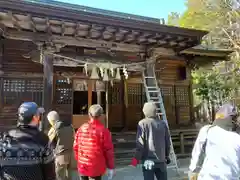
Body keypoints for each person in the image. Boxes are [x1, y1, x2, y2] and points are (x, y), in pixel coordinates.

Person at [0, 102, 56, 180]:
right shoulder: (43, 140)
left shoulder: (5, 138)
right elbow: (49, 172)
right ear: (35, 118)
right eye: (39, 115)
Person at [189, 103, 240, 180]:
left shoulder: (206, 130)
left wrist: (193, 171)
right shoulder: (236, 138)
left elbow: (197, 153)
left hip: (207, 177)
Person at [130, 102, 171, 180]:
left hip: (148, 161)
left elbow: (140, 145)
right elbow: (167, 142)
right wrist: (167, 156)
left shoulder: (142, 123)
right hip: (161, 160)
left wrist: (135, 160)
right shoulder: (162, 124)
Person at [73, 104, 115, 180]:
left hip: (83, 165)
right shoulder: (104, 131)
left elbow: (75, 147)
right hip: (96, 167)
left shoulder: (81, 128)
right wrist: (110, 167)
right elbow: (108, 151)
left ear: (89, 114)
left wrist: (79, 160)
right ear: (100, 115)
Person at [47, 111, 75, 180]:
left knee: (59, 176)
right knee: (69, 175)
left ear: (51, 120)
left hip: (60, 155)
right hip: (70, 153)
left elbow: (49, 143)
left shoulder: (54, 128)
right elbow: (74, 137)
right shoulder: (70, 126)